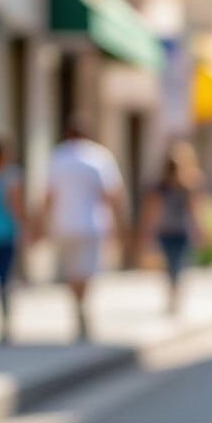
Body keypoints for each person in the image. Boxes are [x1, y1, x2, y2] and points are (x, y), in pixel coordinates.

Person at [42, 116, 127, 340]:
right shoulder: (99, 157)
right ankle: (82, 305)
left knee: (72, 270)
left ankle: (77, 305)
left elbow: (49, 195)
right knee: (86, 270)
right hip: (91, 223)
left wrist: (42, 223)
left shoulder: (57, 156)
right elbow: (112, 195)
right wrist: (120, 226)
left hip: (64, 223)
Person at [136, 143, 204, 313]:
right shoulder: (160, 188)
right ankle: (173, 295)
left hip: (180, 231)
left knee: (177, 265)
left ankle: (174, 296)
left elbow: (193, 210)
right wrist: (146, 232)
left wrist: (199, 229)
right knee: (172, 266)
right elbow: (151, 211)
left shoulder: (187, 186)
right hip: (167, 231)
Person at [0, 132, 28, 343]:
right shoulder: (11, 177)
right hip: (5, 236)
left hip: (2, 235)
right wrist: (27, 229)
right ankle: (6, 323)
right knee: (5, 281)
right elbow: (17, 207)